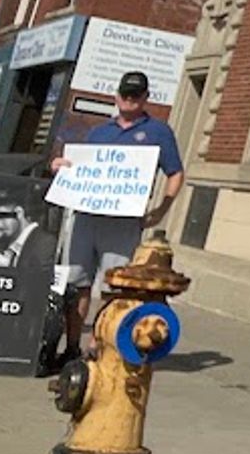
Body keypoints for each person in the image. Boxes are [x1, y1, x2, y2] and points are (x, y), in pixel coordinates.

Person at [49, 69, 184, 356]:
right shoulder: (99, 132)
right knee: (76, 285)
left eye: (136, 95)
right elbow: (79, 169)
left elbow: (175, 173)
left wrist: (162, 209)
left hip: (124, 220)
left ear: (146, 97)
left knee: (116, 286)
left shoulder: (159, 132)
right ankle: (71, 348)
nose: (129, 99)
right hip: (86, 217)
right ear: (116, 96)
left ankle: (98, 348)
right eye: (125, 94)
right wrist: (61, 167)